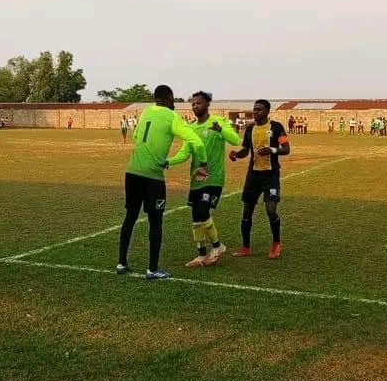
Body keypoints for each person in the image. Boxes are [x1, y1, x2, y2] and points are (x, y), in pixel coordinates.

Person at [117, 85, 208, 280]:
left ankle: (121, 263)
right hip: (153, 177)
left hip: (132, 172)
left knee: (130, 217)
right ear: (169, 98)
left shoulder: (146, 112)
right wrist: (203, 164)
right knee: (155, 221)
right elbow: (197, 142)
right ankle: (152, 269)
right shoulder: (172, 116)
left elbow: (136, 136)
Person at [167, 91, 240, 268]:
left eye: (198, 103)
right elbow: (185, 153)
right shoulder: (191, 128)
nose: (195, 106)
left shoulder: (218, 122)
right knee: (195, 217)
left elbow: (235, 140)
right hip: (197, 178)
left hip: (213, 178)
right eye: (193, 104)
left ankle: (217, 246)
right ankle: (200, 255)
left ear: (207, 104)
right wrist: (168, 162)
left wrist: (221, 130)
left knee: (202, 212)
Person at [230, 99, 289, 259]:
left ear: (267, 111)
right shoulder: (250, 128)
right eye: (254, 109)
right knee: (247, 212)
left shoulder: (276, 127)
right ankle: (245, 247)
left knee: (271, 210)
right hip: (253, 175)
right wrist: (236, 154)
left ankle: (276, 243)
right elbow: (245, 150)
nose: (255, 112)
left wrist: (272, 150)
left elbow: (286, 149)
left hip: (271, 175)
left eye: (259, 109)